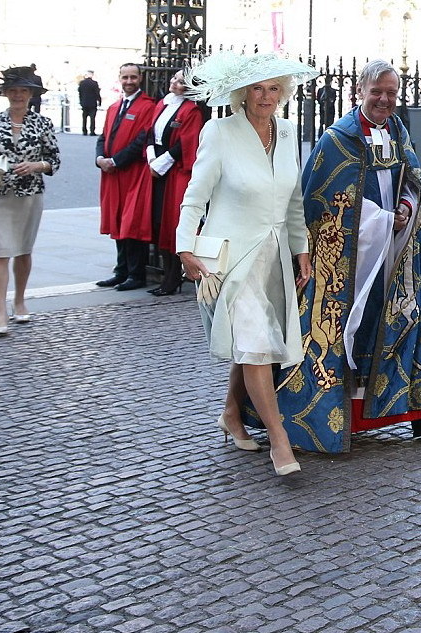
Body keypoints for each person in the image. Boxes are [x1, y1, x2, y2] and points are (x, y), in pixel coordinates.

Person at [271, 59, 421, 454]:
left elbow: (411, 181)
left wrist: (405, 208)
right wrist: (381, 220)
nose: (384, 99)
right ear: (358, 92)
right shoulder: (337, 139)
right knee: (338, 332)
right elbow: (323, 202)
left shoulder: (397, 131)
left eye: (391, 93)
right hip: (348, 262)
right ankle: (324, 416)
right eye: (376, 91)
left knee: (407, 320)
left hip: (394, 256)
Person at [176, 51, 317, 476]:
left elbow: (293, 201)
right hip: (232, 259)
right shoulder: (219, 132)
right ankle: (279, 440)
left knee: (252, 342)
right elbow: (195, 195)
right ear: (242, 92)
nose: (266, 96)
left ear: (284, 92)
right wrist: (185, 247)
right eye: (257, 87)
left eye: (274, 88)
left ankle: (231, 414)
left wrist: (301, 248)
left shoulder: (289, 133)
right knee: (256, 341)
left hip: (273, 257)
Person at [0, 66, 60, 337]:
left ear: (31, 94)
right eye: (13, 91)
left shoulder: (43, 123)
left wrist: (35, 165)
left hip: (30, 195)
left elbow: (54, 160)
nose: (18, 95)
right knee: (0, 252)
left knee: (23, 250)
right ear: (5, 93)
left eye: (23, 90)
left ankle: (19, 300)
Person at [95, 63, 155, 291]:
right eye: (125, 77)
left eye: (133, 77)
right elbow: (103, 137)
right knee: (117, 220)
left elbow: (142, 139)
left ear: (140, 79)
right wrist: (100, 158)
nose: (129, 81)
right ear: (119, 78)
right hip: (112, 174)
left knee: (132, 223)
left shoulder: (147, 107)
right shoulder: (113, 107)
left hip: (132, 173)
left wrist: (116, 161)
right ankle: (120, 271)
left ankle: (136, 274)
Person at [145, 69, 203, 296]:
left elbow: (186, 143)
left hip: (174, 171)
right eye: (174, 79)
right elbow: (151, 132)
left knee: (172, 224)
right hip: (158, 166)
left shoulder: (191, 111)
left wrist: (161, 163)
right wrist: (151, 158)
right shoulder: (163, 104)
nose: (175, 83)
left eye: (180, 82)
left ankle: (172, 277)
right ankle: (165, 274)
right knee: (158, 222)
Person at [78, 71, 102, 136]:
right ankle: (92, 131)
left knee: (84, 118)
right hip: (92, 103)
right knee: (92, 118)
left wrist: (80, 101)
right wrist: (99, 101)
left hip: (84, 102)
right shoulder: (94, 83)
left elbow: (80, 93)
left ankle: (84, 131)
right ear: (92, 75)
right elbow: (97, 93)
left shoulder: (82, 83)